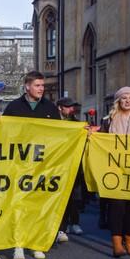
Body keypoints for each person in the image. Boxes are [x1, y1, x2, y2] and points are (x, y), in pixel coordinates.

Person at [2, 71, 61, 259]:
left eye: (42, 86)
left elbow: (61, 134)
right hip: (19, 164)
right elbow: (3, 134)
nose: (41, 89)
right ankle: (18, 244)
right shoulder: (13, 107)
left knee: (39, 205)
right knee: (19, 205)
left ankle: (36, 243)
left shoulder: (50, 108)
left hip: (43, 165)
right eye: (38, 85)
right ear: (27, 86)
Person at [98, 86, 130, 258]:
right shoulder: (108, 121)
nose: (127, 101)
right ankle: (116, 244)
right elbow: (100, 142)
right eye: (124, 98)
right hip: (114, 170)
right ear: (118, 101)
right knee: (116, 206)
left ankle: (129, 242)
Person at [55, 97, 84, 243]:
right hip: (56, 165)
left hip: (73, 166)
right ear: (60, 107)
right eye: (68, 107)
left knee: (74, 198)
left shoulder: (76, 124)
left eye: (72, 107)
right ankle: (60, 226)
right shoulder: (52, 122)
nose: (71, 109)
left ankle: (72, 223)